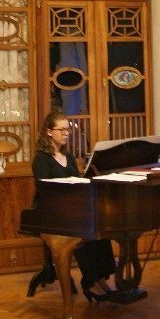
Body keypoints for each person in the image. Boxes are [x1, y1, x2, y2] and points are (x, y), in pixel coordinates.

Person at [32, 110, 118, 303]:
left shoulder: (69, 157)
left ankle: (103, 277)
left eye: (67, 130)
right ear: (49, 132)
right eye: (61, 130)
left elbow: (78, 182)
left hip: (72, 208)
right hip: (51, 211)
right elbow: (44, 190)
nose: (66, 133)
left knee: (98, 228)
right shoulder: (41, 159)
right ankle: (90, 281)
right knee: (82, 230)